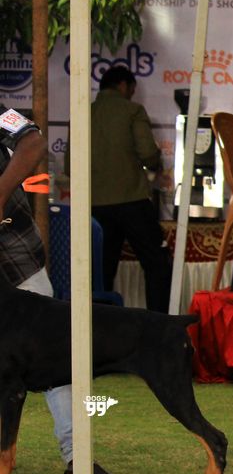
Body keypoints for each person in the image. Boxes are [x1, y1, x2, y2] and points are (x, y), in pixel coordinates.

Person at [0, 106, 120, 474]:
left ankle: (77, 458)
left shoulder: (1, 114)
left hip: (17, 261)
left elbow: (33, 143)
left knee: (57, 357)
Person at [86, 65, 171, 312]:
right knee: (156, 264)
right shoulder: (133, 110)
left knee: (101, 272)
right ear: (123, 85)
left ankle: (99, 324)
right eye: (132, 90)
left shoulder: (83, 112)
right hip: (132, 200)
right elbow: (148, 154)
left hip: (95, 205)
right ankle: (158, 322)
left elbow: (71, 165)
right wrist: (155, 163)